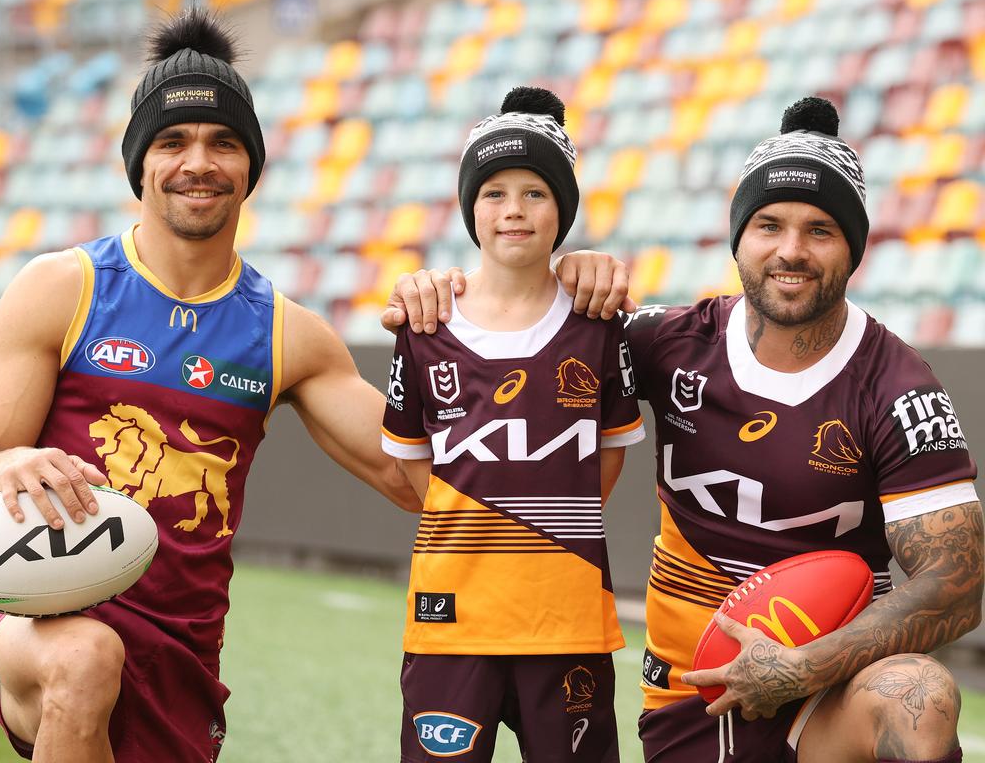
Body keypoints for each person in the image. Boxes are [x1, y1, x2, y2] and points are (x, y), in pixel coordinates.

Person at [381, 97, 982, 763]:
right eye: (769, 224)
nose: (791, 250)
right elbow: (522, 328)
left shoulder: (899, 384)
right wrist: (445, 288)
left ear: (854, 247)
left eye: (820, 230)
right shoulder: (664, 342)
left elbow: (957, 584)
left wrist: (803, 667)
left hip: (829, 692)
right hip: (692, 696)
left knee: (916, 695)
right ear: (738, 239)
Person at [0, 9, 419, 763]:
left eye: (223, 143)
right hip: (40, 622)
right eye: (172, 142)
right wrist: (2, 464)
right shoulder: (62, 288)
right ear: (140, 164)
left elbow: (412, 479)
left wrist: (498, 318)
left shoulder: (286, 333)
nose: (196, 162)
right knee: (86, 659)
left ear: (251, 168)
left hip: (182, 649)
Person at [381, 87, 645, 762]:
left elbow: (605, 463)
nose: (514, 210)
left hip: (567, 621)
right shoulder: (424, 325)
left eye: (535, 192)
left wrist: (547, 526)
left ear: (563, 208)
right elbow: (415, 466)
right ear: (471, 207)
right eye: (495, 192)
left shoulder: (597, 326)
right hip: (450, 621)